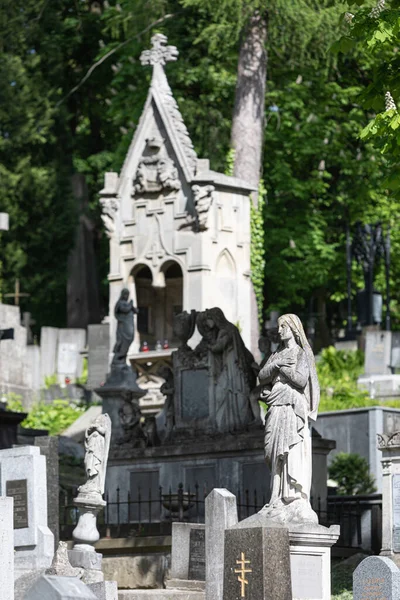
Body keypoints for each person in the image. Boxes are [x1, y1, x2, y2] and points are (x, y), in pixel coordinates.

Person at [258, 314, 320, 522]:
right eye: (279, 326)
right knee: (273, 451)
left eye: (284, 326)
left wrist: (282, 368)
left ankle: (291, 496)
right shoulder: (277, 354)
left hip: (292, 406)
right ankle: (274, 497)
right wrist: (276, 365)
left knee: (289, 450)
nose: (280, 330)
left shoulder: (300, 353)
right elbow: (262, 376)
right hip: (276, 405)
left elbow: (302, 381)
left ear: (294, 329)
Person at [112, 288, 138, 365]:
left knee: (130, 339)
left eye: (128, 294)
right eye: (125, 294)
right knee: (123, 341)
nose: (127, 296)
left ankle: (123, 358)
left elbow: (136, 311)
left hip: (129, 326)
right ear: (122, 295)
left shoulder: (128, 304)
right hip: (123, 327)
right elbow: (124, 309)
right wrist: (130, 304)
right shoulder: (120, 303)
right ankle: (118, 357)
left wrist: (132, 305)